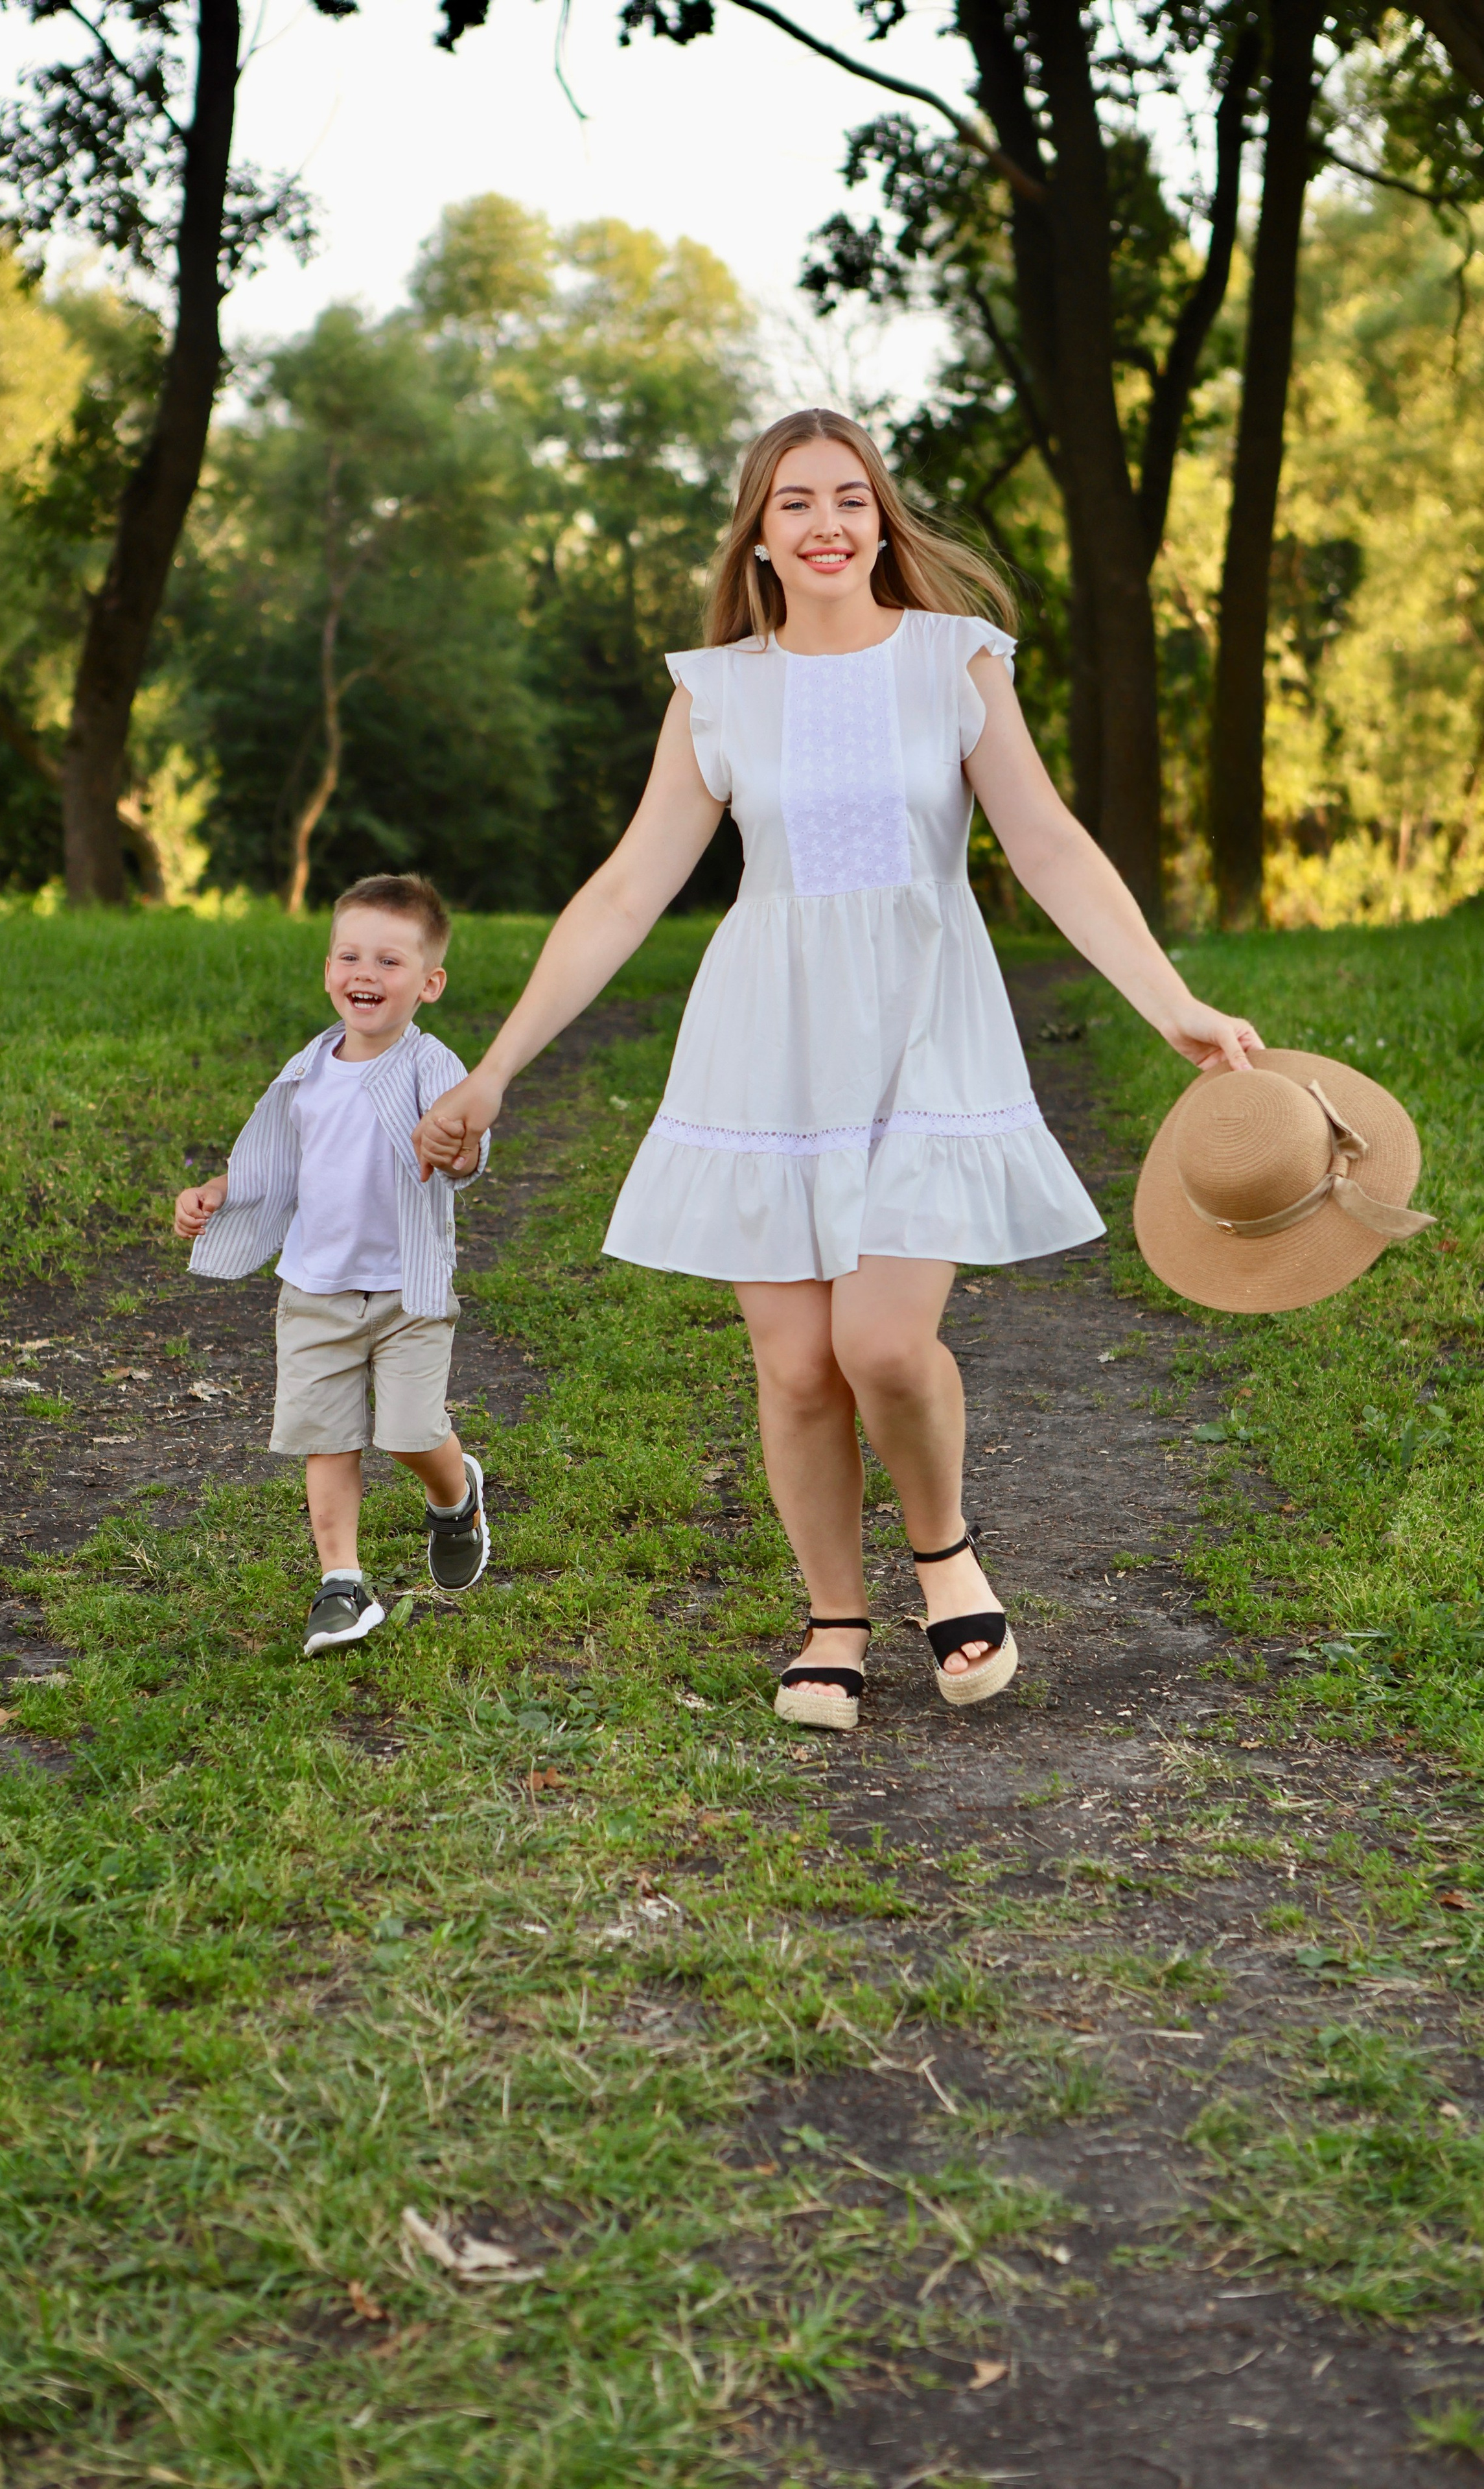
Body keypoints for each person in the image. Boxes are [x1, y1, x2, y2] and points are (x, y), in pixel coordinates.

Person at [415, 409, 1260, 1733]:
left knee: (878, 1339)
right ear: (756, 534)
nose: (825, 524)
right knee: (797, 1363)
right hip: (773, 1034)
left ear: (881, 520)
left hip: (929, 1018)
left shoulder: (952, 661)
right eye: (794, 502)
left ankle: (941, 1550)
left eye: (849, 500)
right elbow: (631, 884)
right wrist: (497, 1067)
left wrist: (1167, 1003)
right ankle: (832, 1615)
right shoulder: (717, 689)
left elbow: (1043, 844)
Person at [175, 872, 491, 1654]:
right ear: (327, 970)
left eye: (389, 961)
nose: (365, 974)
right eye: (349, 956)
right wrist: (220, 1190)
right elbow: (276, 1161)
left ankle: (456, 1499)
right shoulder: (308, 1070)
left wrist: (459, 1147)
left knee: (411, 1433)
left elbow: (466, 1149)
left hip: (406, 1292)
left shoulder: (429, 1065)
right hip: (314, 1289)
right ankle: (341, 1584)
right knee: (328, 1435)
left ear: (429, 984)